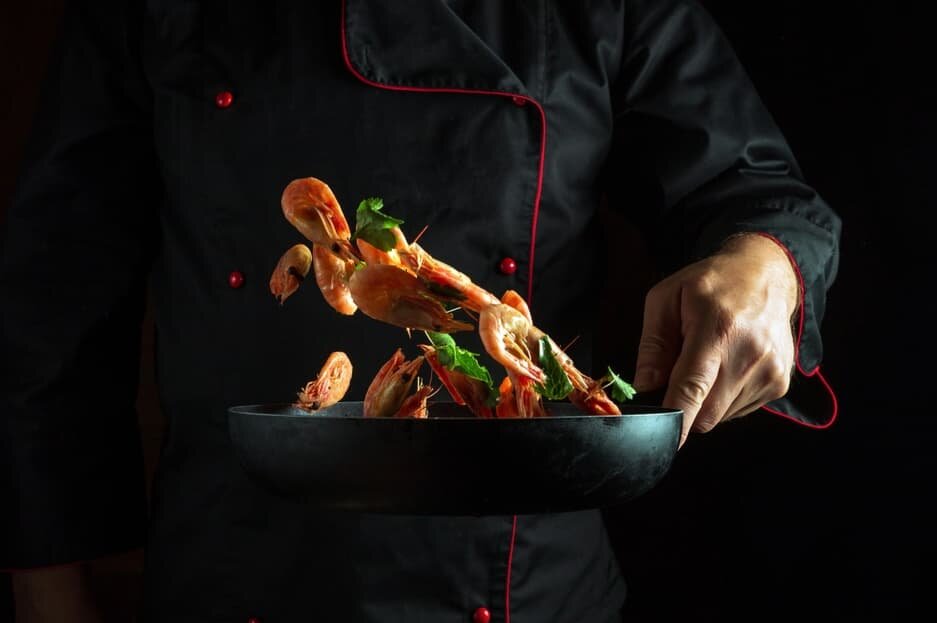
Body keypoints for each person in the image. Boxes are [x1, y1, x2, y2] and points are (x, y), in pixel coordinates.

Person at [1, 1, 841, 621]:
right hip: (234, 577)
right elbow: (55, 281)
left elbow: (754, 188)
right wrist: (46, 582)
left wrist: (766, 267)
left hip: (523, 590)